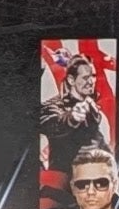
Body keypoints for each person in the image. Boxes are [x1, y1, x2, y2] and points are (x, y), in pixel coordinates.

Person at [39, 54, 111, 195]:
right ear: (71, 80)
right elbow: (54, 124)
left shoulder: (94, 111)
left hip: (94, 184)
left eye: (93, 76)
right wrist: (71, 118)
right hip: (63, 187)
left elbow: (101, 145)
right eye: (85, 77)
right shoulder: (52, 106)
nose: (91, 82)